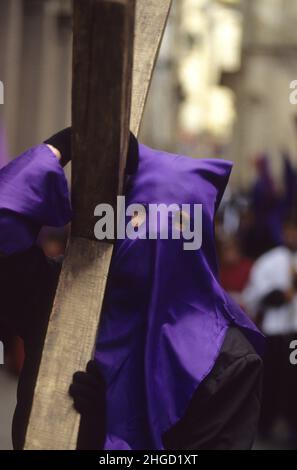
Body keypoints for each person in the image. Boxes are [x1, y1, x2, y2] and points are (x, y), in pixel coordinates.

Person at [0, 129, 264, 450]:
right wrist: (58, 149)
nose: (145, 245)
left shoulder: (228, 360)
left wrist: (104, 442)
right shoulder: (59, 293)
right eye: (132, 223)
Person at [243, 216, 297, 440]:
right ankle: (265, 426)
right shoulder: (269, 261)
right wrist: (278, 295)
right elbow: (252, 296)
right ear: (285, 230)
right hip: (276, 332)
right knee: (272, 379)